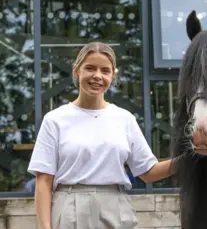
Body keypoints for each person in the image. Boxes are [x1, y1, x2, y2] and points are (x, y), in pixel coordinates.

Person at [27, 42, 174, 229]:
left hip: (116, 209)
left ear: (113, 75)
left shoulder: (124, 119)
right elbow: (44, 181)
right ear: (77, 71)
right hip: (68, 209)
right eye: (90, 68)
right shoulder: (55, 120)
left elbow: (147, 172)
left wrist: (188, 158)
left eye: (105, 71)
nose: (97, 76)